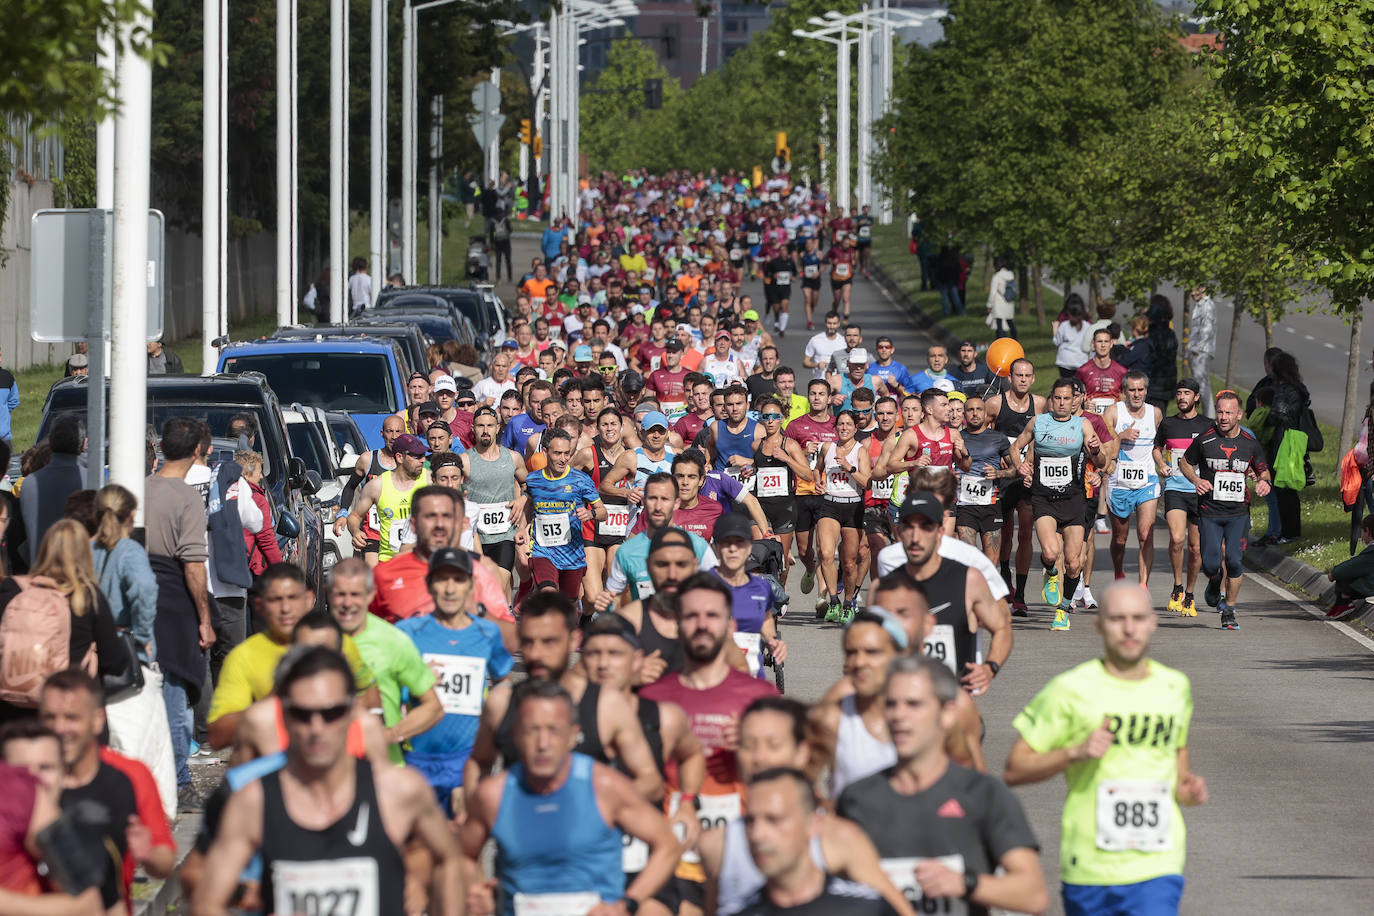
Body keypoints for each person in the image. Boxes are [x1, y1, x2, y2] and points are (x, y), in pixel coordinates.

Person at [191, 646, 465, 915]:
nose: (317, 728)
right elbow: (206, 900)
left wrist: (417, 881)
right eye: (302, 714)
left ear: (352, 713)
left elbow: (447, 859)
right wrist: (247, 895)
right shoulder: (252, 801)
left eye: (331, 713)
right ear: (283, 715)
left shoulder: (398, 791)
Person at [1005, 583, 1207, 916]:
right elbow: (1015, 769)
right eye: (1117, 619)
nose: (1129, 628)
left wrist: (1186, 790)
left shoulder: (1174, 687)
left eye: (1138, 618)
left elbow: (1177, 760)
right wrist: (1073, 752)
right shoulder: (1070, 689)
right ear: (1098, 625)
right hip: (1089, 866)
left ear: (1153, 622)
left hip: (1157, 865)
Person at [837, 656, 1047, 916]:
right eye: (891, 704)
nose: (899, 715)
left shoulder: (984, 794)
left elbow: (1033, 895)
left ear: (947, 714)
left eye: (914, 704)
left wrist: (963, 883)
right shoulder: (857, 799)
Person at [459, 679, 680, 916]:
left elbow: (668, 845)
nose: (542, 744)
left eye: (553, 730)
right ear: (516, 735)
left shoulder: (605, 787)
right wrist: (475, 893)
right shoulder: (493, 795)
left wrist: (627, 904)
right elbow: (459, 857)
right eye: (532, 730)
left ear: (573, 735)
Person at [640, 572, 780, 912]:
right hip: (671, 856)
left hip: (745, 858)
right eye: (692, 616)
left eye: (712, 616)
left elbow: (790, 781)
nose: (702, 624)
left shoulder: (760, 696)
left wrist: (751, 751)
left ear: (730, 625)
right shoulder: (650, 696)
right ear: (677, 625)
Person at [38, 669, 176, 912]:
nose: (59, 728)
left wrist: (148, 852)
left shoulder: (131, 775)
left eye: (72, 718)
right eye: (50, 718)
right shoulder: (22, 776)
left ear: (97, 720)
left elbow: (164, 862)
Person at [395, 547, 513, 818]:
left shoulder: (487, 633)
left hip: (466, 759)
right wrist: (415, 682)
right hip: (415, 759)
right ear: (429, 584)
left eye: (458, 580)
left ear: (471, 586)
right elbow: (385, 691)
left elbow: (504, 683)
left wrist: (496, 735)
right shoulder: (406, 633)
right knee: (418, 853)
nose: (450, 589)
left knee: (464, 848)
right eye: (441, 579)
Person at [207, 562, 378, 748]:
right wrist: (279, 695)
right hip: (276, 768)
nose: (285, 608)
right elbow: (217, 737)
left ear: (308, 599)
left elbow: (372, 701)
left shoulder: (336, 642)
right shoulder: (243, 656)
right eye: (275, 599)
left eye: (292, 598)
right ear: (260, 605)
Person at [0, 520, 129, 724]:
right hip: (68, 715)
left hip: (13, 713)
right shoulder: (88, 597)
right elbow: (114, 662)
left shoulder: (12, 589)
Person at [1009, 378, 1107, 630]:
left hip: (1073, 499)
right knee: (1051, 553)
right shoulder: (1038, 422)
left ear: (1075, 399)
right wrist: (1020, 466)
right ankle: (1051, 573)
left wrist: (1095, 451)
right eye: (1057, 398)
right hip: (1044, 498)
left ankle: (1063, 609)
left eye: (1067, 398)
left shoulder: (1082, 425)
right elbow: (1016, 446)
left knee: (1074, 562)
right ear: (1051, 399)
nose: (1062, 403)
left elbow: (1102, 460)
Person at [326, 558, 442, 765]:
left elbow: (433, 707)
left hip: (383, 769)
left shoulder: (393, 640)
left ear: (370, 595)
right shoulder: (313, 639)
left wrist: (389, 735)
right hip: (325, 769)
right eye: (340, 594)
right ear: (328, 594)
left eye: (355, 595)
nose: (347, 603)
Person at [1178, 391, 1272, 630]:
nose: (1223, 417)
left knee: (1234, 560)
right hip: (1209, 511)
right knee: (1210, 564)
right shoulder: (1205, 440)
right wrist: (1196, 481)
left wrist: (1264, 482)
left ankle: (1229, 609)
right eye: (1220, 411)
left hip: (1238, 513)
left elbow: (1263, 470)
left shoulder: (1249, 443)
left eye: (1229, 412)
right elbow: (1185, 462)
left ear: (1239, 415)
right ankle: (1215, 580)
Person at [986, 358, 1045, 615]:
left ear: (1033, 379)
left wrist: (1028, 463)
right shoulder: (995, 404)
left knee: (1026, 533)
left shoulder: (1041, 404)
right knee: (1006, 533)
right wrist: (996, 456)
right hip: (1004, 476)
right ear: (1010, 378)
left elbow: (1042, 436)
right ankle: (1004, 575)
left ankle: (1020, 594)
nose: (1022, 379)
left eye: (1027, 375)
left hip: (1029, 474)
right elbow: (983, 435)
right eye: (1018, 375)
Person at [523, 427, 606, 601]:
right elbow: (528, 504)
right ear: (545, 452)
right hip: (542, 551)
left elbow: (602, 512)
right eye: (557, 453)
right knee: (549, 595)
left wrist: (590, 514)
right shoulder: (533, 480)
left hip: (572, 554)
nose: (563, 459)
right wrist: (522, 529)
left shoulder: (580, 480)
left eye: (567, 454)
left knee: (569, 604)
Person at [1153, 379, 1212, 618]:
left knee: (1195, 548)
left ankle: (1189, 593)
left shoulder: (1209, 425)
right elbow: (1156, 448)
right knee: (1177, 539)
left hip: (1199, 492)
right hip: (1175, 488)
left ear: (1196, 397)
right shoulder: (1168, 424)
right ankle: (1177, 586)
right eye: (1178, 393)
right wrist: (1160, 465)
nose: (1181, 397)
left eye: (1186, 393)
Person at [1102, 372, 1164, 588]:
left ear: (1146, 390)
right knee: (1120, 539)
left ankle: (1142, 586)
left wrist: (1164, 465)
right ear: (1124, 391)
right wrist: (1121, 437)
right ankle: (1119, 572)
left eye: (1140, 390)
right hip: (1119, 483)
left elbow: (1161, 445)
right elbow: (1102, 446)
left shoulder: (1155, 413)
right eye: (1132, 390)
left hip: (1147, 482)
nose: (1136, 394)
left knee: (1145, 534)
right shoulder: (1113, 412)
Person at [711, 514, 787, 678]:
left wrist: (772, 640)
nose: (733, 549)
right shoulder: (703, 586)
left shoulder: (762, 586)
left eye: (739, 543)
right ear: (716, 547)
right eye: (726, 543)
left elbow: (765, 617)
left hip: (754, 677)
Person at [90, 484, 158, 662]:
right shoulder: (130, 551)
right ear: (132, 515)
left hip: (89, 646)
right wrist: (142, 635)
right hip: (125, 648)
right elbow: (145, 588)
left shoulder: (84, 548)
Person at [815, 410, 872, 621]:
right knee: (827, 554)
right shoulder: (828, 448)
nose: (844, 428)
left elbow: (866, 482)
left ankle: (848, 603)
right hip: (830, 504)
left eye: (849, 424)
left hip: (853, 507)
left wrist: (849, 467)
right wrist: (817, 479)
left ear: (855, 428)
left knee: (849, 563)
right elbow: (817, 468)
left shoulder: (860, 451)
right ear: (836, 427)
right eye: (841, 424)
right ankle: (833, 601)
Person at [348, 433, 430, 564]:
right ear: (400, 457)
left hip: (422, 560)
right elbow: (355, 516)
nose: (423, 460)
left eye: (423, 455)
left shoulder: (430, 481)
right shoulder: (377, 486)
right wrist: (356, 531)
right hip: (388, 561)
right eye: (417, 456)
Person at [953, 394, 1015, 566]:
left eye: (979, 409)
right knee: (968, 560)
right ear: (964, 414)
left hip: (991, 504)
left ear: (986, 413)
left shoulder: (999, 438)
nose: (975, 414)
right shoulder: (956, 438)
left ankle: (987, 592)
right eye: (970, 410)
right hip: (965, 505)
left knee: (991, 564)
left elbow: (1015, 469)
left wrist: (999, 474)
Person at [18, 415, 86, 565]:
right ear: (84, 444)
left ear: (50, 442)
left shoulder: (29, 483)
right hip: (80, 574)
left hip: (40, 573)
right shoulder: (94, 479)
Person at [1328, 515, 1374, 619]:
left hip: (1371, 587)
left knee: (1344, 579)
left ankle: (1344, 605)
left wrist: (1333, 573)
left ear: (1367, 531)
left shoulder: (1371, 553)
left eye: (1362, 531)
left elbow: (1352, 566)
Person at [1076, 328, 1129, 416]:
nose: (1103, 345)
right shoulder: (1083, 370)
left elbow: (1127, 396)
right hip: (1090, 418)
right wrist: (1083, 405)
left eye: (1106, 341)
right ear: (1093, 344)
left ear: (1111, 344)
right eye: (1099, 341)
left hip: (1114, 418)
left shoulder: (1122, 371)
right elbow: (1074, 396)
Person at [1185, 287, 1216, 415]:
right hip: (1196, 350)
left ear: (1203, 288)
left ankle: (1210, 417)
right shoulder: (1199, 305)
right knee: (1201, 386)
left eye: (1195, 290)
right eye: (1191, 291)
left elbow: (1206, 330)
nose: (1192, 294)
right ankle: (1208, 416)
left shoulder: (1207, 306)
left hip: (1201, 352)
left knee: (1202, 386)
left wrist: (1197, 349)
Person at [1145, 294, 1179, 410]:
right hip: (1167, 385)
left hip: (1155, 386)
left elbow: (1150, 358)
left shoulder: (1153, 334)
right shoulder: (1170, 333)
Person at [1053, 296, 1093, 378]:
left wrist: (1055, 329)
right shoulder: (1087, 326)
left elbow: (1057, 342)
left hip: (1065, 361)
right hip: (1081, 361)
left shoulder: (1064, 325)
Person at [985, 259, 1018, 339]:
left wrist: (989, 305)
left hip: (999, 303)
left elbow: (993, 292)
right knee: (1010, 323)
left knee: (999, 325)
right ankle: (1015, 340)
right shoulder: (1011, 275)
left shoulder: (997, 276)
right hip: (1009, 302)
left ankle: (1001, 342)